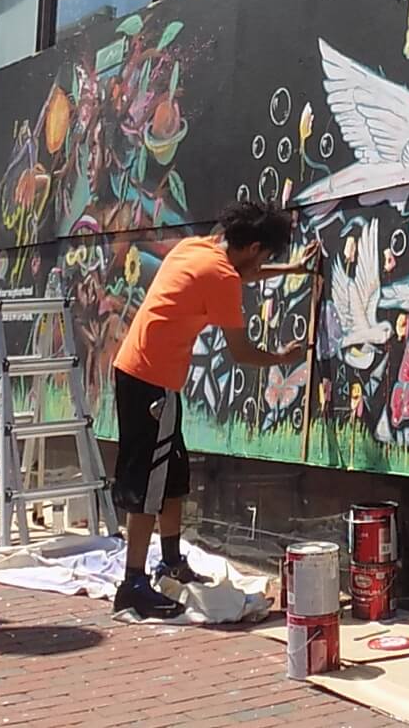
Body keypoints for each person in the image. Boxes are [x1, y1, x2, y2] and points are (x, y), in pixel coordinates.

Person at [110, 200, 320, 618]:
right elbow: (242, 352)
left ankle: (171, 562)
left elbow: (244, 273)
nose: (261, 263)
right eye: (264, 255)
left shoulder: (197, 248)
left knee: (172, 476)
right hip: (150, 381)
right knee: (147, 484)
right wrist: (282, 358)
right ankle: (132, 584)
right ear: (254, 247)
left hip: (145, 375)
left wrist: (293, 269)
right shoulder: (221, 276)